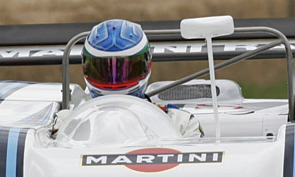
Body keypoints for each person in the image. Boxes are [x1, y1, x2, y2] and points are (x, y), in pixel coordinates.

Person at [68, 19, 201, 138]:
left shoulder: (180, 122)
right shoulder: (64, 122)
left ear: (148, 65)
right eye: (104, 70)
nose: (115, 81)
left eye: (125, 70)